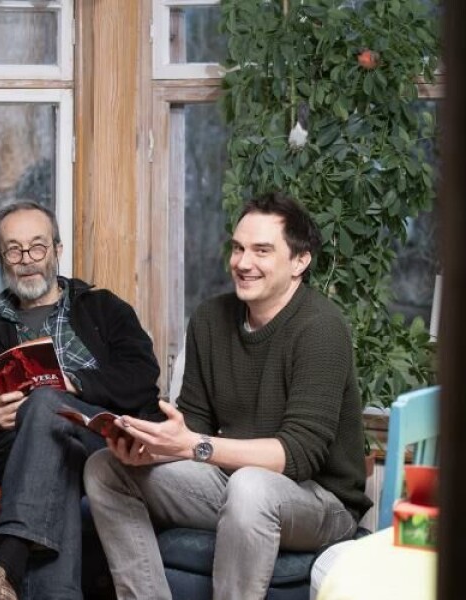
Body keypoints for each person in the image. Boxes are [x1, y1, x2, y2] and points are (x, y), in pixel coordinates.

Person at [83, 192, 372, 600]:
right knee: (104, 468)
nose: (242, 262)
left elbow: (298, 455)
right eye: (238, 248)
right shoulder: (210, 318)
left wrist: (194, 446)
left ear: (299, 262)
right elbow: (195, 424)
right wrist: (152, 448)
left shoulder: (321, 329)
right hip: (234, 484)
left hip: (322, 501)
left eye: (261, 250)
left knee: (252, 487)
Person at [0, 201, 162, 600]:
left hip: (104, 441)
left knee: (48, 401)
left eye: (37, 246)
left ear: (58, 250)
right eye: (13, 250)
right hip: (20, 450)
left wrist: (73, 382)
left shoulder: (103, 308)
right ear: (1, 259)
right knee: (51, 452)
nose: (26, 259)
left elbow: (142, 377)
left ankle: (4, 565)